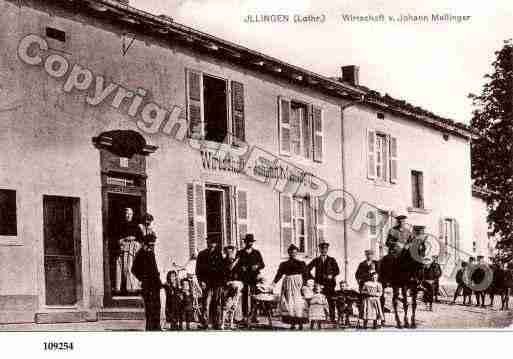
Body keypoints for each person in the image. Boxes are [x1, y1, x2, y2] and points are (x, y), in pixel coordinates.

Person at [131, 227, 162, 331]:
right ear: (146, 243)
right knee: (149, 307)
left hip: (155, 284)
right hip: (147, 285)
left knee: (157, 305)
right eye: (150, 244)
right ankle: (149, 327)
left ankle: (157, 327)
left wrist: (159, 282)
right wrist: (143, 278)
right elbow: (133, 269)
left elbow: (155, 269)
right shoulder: (140, 254)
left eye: (153, 244)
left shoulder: (151, 253)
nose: (152, 246)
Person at [272, 244, 308, 329]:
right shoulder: (284, 264)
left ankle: (300, 323)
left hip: (298, 285)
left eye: (295, 252)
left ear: (297, 253)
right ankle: (292, 323)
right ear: (288, 253)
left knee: (298, 303)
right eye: (291, 252)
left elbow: (305, 275)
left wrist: (304, 285)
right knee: (289, 304)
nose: (293, 254)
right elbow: (279, 274)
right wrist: (274, 283)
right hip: (288, 285)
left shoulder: (301, 263)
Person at [306, 241, 340, 322]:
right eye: (322, 249)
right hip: (319, 285)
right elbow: (307, 269)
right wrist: (313, 279)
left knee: (331, 301)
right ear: (320, 249)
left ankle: (332, 318)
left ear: (327, 250)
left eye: (325, 249)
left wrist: (332, 275)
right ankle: (320, 318)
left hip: (330, 285)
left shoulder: (332, 260)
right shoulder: (316, 260)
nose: (324, 250)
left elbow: (337, 271)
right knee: (319, 301)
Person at [195, 236, 225, 329]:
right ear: (207, 242)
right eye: (210, 242)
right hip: (206, 283)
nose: (212, 244)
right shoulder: (202, 254)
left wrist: (221, 283)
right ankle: (205, 322)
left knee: (217, 303)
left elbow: (222, 269)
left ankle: (217, 323)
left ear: (216, 244)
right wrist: (201, 281)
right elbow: (198, 270)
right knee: (206, 303)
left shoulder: (219, 254)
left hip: (217, 283)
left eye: (214, 242)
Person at [237, 233, 265, 325]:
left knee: (254, 297)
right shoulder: (240, 253)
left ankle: (254, 316)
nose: (250, 243)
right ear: (245, 242)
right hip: (244, 278)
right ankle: (245, 316)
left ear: (253, 243)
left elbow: (262, 264)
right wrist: (241, 268)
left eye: (251, 242)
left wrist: (257, 266)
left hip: (254, 278)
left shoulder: (256, 253)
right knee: (244, 297)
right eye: (248, 242)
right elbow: (236, 265)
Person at [115, 207, 142, 294]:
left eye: (130, 214)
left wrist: (134, 241)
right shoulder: (120, 225)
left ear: (132, 215)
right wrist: (124, 240)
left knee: (131, 268)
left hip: (133, 250)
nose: (128, 216)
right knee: (124, 269)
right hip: (123, 249)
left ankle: (132, 288)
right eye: (127, 214)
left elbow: (140, 239)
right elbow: (117, 239)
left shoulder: (136, 226)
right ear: (124, 215)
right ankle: (123, 289)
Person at [355, 249, 380, 316]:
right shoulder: (362, 264)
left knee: (375, 302)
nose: (369, 256)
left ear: (373, 255)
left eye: (371, 255)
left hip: (374, 286)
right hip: (364, 286)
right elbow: (357, 275)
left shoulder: (376, 263)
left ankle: (377, 319)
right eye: (368, 255)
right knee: (363, 302)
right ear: (366, 255)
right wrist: (360, 283)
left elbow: (379, 274)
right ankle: (363, 317)